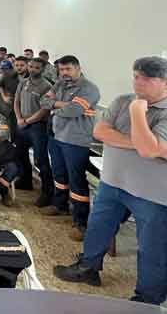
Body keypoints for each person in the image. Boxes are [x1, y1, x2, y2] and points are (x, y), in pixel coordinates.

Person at [55, 57, 167, 305]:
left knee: (151, 248)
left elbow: (146, 148)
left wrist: (138, 114)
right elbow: (100, 132)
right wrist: (152, 147)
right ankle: (88, 268)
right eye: (136, 76)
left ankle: (148, 300)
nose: (138, 83)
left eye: (148, 79)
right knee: (98, 228)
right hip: (114, 181)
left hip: (152, 193)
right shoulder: (122, 101)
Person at [39, 55, 100, 241]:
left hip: (76, 140)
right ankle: (60, 205)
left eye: (68, 69)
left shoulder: (88, 88)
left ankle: (80, 222)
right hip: (57, 136)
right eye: (61, 70)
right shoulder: (59, 84)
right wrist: (63, 105)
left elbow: (74, 111)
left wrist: (55, 106)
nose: (64, 73)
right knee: (59, 174)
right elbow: (43, 101)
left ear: (78, 68)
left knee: (76, 180)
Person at [13, 58, 53, 200]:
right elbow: (16, 101)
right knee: (20, 154)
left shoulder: (47, 86)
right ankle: (25, 181)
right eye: (30, 66)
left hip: (38, 126)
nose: (32, 70)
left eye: (36, 67)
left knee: (40, 159)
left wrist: (27, 121)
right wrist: (19, 119)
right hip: (21, 124)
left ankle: (47, 192)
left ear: (42, 69)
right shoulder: (23, 82)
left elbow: (45, 109)